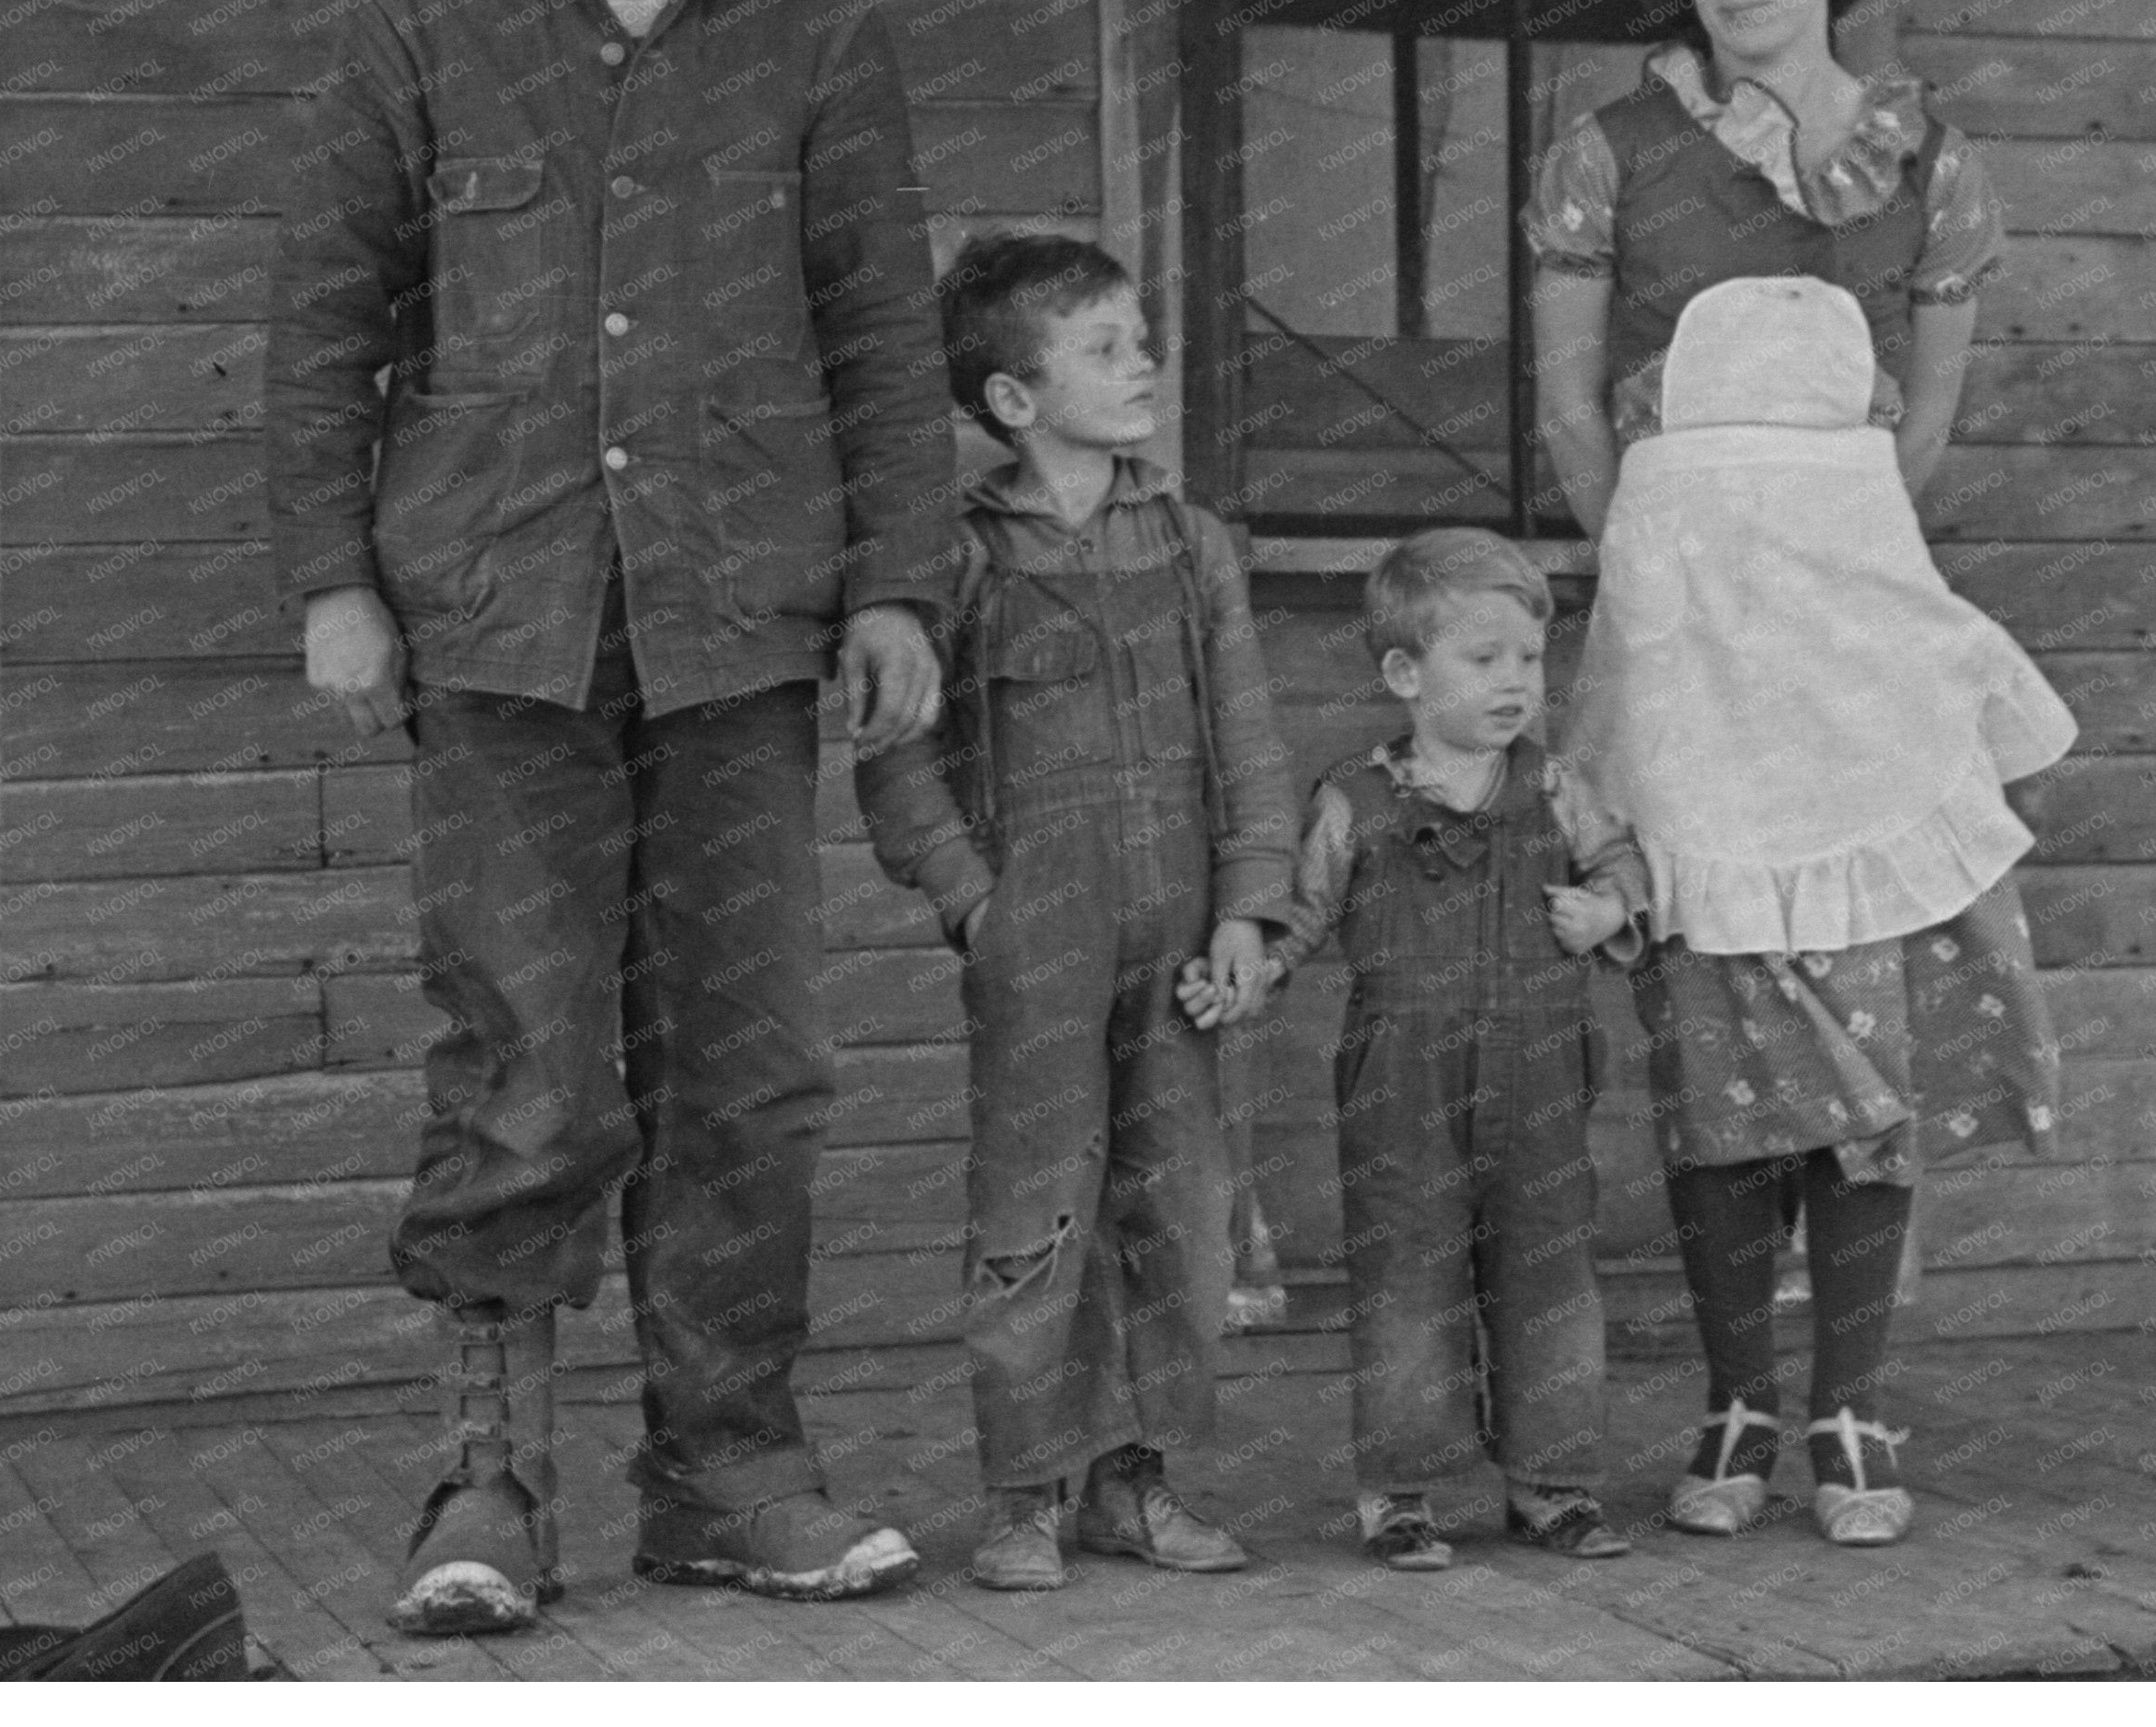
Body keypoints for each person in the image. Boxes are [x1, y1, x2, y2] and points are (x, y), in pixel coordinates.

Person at [265, 0, 959, 1630]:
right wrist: (331, 578)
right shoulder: (419, 22)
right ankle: (488, 1484)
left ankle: (727, 1468)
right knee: (528, 1058)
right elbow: (325, 326)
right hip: (497, 623)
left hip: (744, 625)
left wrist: (899, 583)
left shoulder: (814, 29)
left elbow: (881, 339)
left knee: (749, 1070)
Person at [1564, 274, 2076, 1546]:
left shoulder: (1852, 473)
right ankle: (1736, 1399)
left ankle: (1848, 1402)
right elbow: (1640, 654)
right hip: (1705, 838)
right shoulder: (1662, 480)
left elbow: (1897, 624)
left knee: (1863, 1128)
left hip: (1858, 842)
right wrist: (1627, 812)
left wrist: (1937, 740)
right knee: (1719, 1138)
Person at [853, 232, 1298, 1594]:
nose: (1142, 361)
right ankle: (1018, 1499)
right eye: (1102, 347)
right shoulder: (953, 557)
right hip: (1035, 938)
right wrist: (973, 905)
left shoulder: (1190, 544)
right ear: (1010, 400)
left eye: (1139, 337)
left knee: (1174, 1206)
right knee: (1032, 1210)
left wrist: (1248, 913)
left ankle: (1136, 1484)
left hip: (1177, 939)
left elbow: (1247, 738)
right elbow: (895, 754)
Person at [1269, 528, 1651, 1572]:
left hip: (1540, 1074)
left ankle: (1553, 1483)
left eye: (1530, 659)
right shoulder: (1353, 800)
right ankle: (1401, 1492)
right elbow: (1299, 916)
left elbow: (1624, 861)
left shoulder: (1558, 787)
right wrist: (1249, 967)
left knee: (1550, 1272)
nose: (1516, 683)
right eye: (1483, 661)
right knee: (1406, 1278)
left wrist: (1606, 906)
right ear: (1404, 674)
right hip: (1402, 1081)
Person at [1524, 0, 2006, 528]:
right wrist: (1637, 570)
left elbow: (1929, 417)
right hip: (1668, 561)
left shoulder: (1936, 167)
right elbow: (1565, 408)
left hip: (1849, 565)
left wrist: (1837, 561)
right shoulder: (1603, 155)